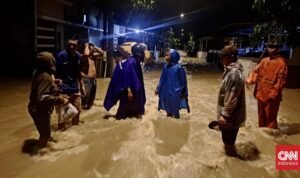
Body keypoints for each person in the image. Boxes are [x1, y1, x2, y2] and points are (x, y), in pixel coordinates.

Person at [28, 52, 68, 151]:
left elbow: (39, 87)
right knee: (45, 135)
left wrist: (53, 82)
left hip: (35, 108)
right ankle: (41, 154)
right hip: (39, 109)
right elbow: (42, 97)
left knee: (45, 132)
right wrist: (60, 99)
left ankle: (43, 146)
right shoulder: (45, 76)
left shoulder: (38, 72)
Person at [246, 38, 288, 129]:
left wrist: (273, 95)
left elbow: (281, 82)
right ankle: (263, 137)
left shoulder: (282, 63)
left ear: (278, 49)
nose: (270, 49)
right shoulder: (264, 60)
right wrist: (250, 79)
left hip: (271, 97)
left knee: (271, 119)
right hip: (261, 94)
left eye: (272, 47)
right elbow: (256, 72)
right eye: (269, 47)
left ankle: (272, 138)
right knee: (261, 117)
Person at [214, 45, 246, 157]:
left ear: (232, 57)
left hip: (231, 117)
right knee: (228, 141)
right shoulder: (230, 71)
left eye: (223, 56)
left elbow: (232, 97)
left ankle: (232, 162)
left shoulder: (234, 74)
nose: (221, 58)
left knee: (228, 143)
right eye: (220, 56)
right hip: (231, 116)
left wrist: (225, 116)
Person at [103, 43, 147, 119]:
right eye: (143, 52)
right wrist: (129, 91)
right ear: (138, 52)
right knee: (123, 114)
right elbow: (125, 77)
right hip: (127, 92)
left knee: (132, 113)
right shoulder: (131, 62)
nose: (144, 54)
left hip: (133, 91)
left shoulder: (135, 61)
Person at [55, 37, 86, 130]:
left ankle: (74, 133)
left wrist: (82, 86)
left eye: (74, 45)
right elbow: (54, 73)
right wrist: (56, 90)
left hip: (75, 89)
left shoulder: (78, 56)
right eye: (70, 44)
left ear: (78, 46)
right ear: (66, 44)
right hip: (63, 90)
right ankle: (61, 135)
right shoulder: (60, 56)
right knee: (62, 116)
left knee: (77, 112)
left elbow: (78, 73)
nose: (71, 46)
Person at [155, 48, 189, 118]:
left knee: (175, 112)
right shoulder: (165, 67)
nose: (166, 57)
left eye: (168, 55)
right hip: (166, 92)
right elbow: (162, 79)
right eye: (166, 55)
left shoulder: (179, 68)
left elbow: (183, 82)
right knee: (168, 111)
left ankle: (176, 125)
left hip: (175, 94)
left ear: (173, 56)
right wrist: (158, 88)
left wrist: (184, 93)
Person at [81, 42, 104, 110]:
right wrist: (87, 45)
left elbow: (102, 53)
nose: (93, 50)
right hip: (86, 78)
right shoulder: (83, 56)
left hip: (93, 78)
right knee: (86, 94)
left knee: (92, 94)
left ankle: (88, 105)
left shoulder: (93, 56)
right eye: (91, 49)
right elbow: (86, 53)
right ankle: (83, 106)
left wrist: (94, 46)